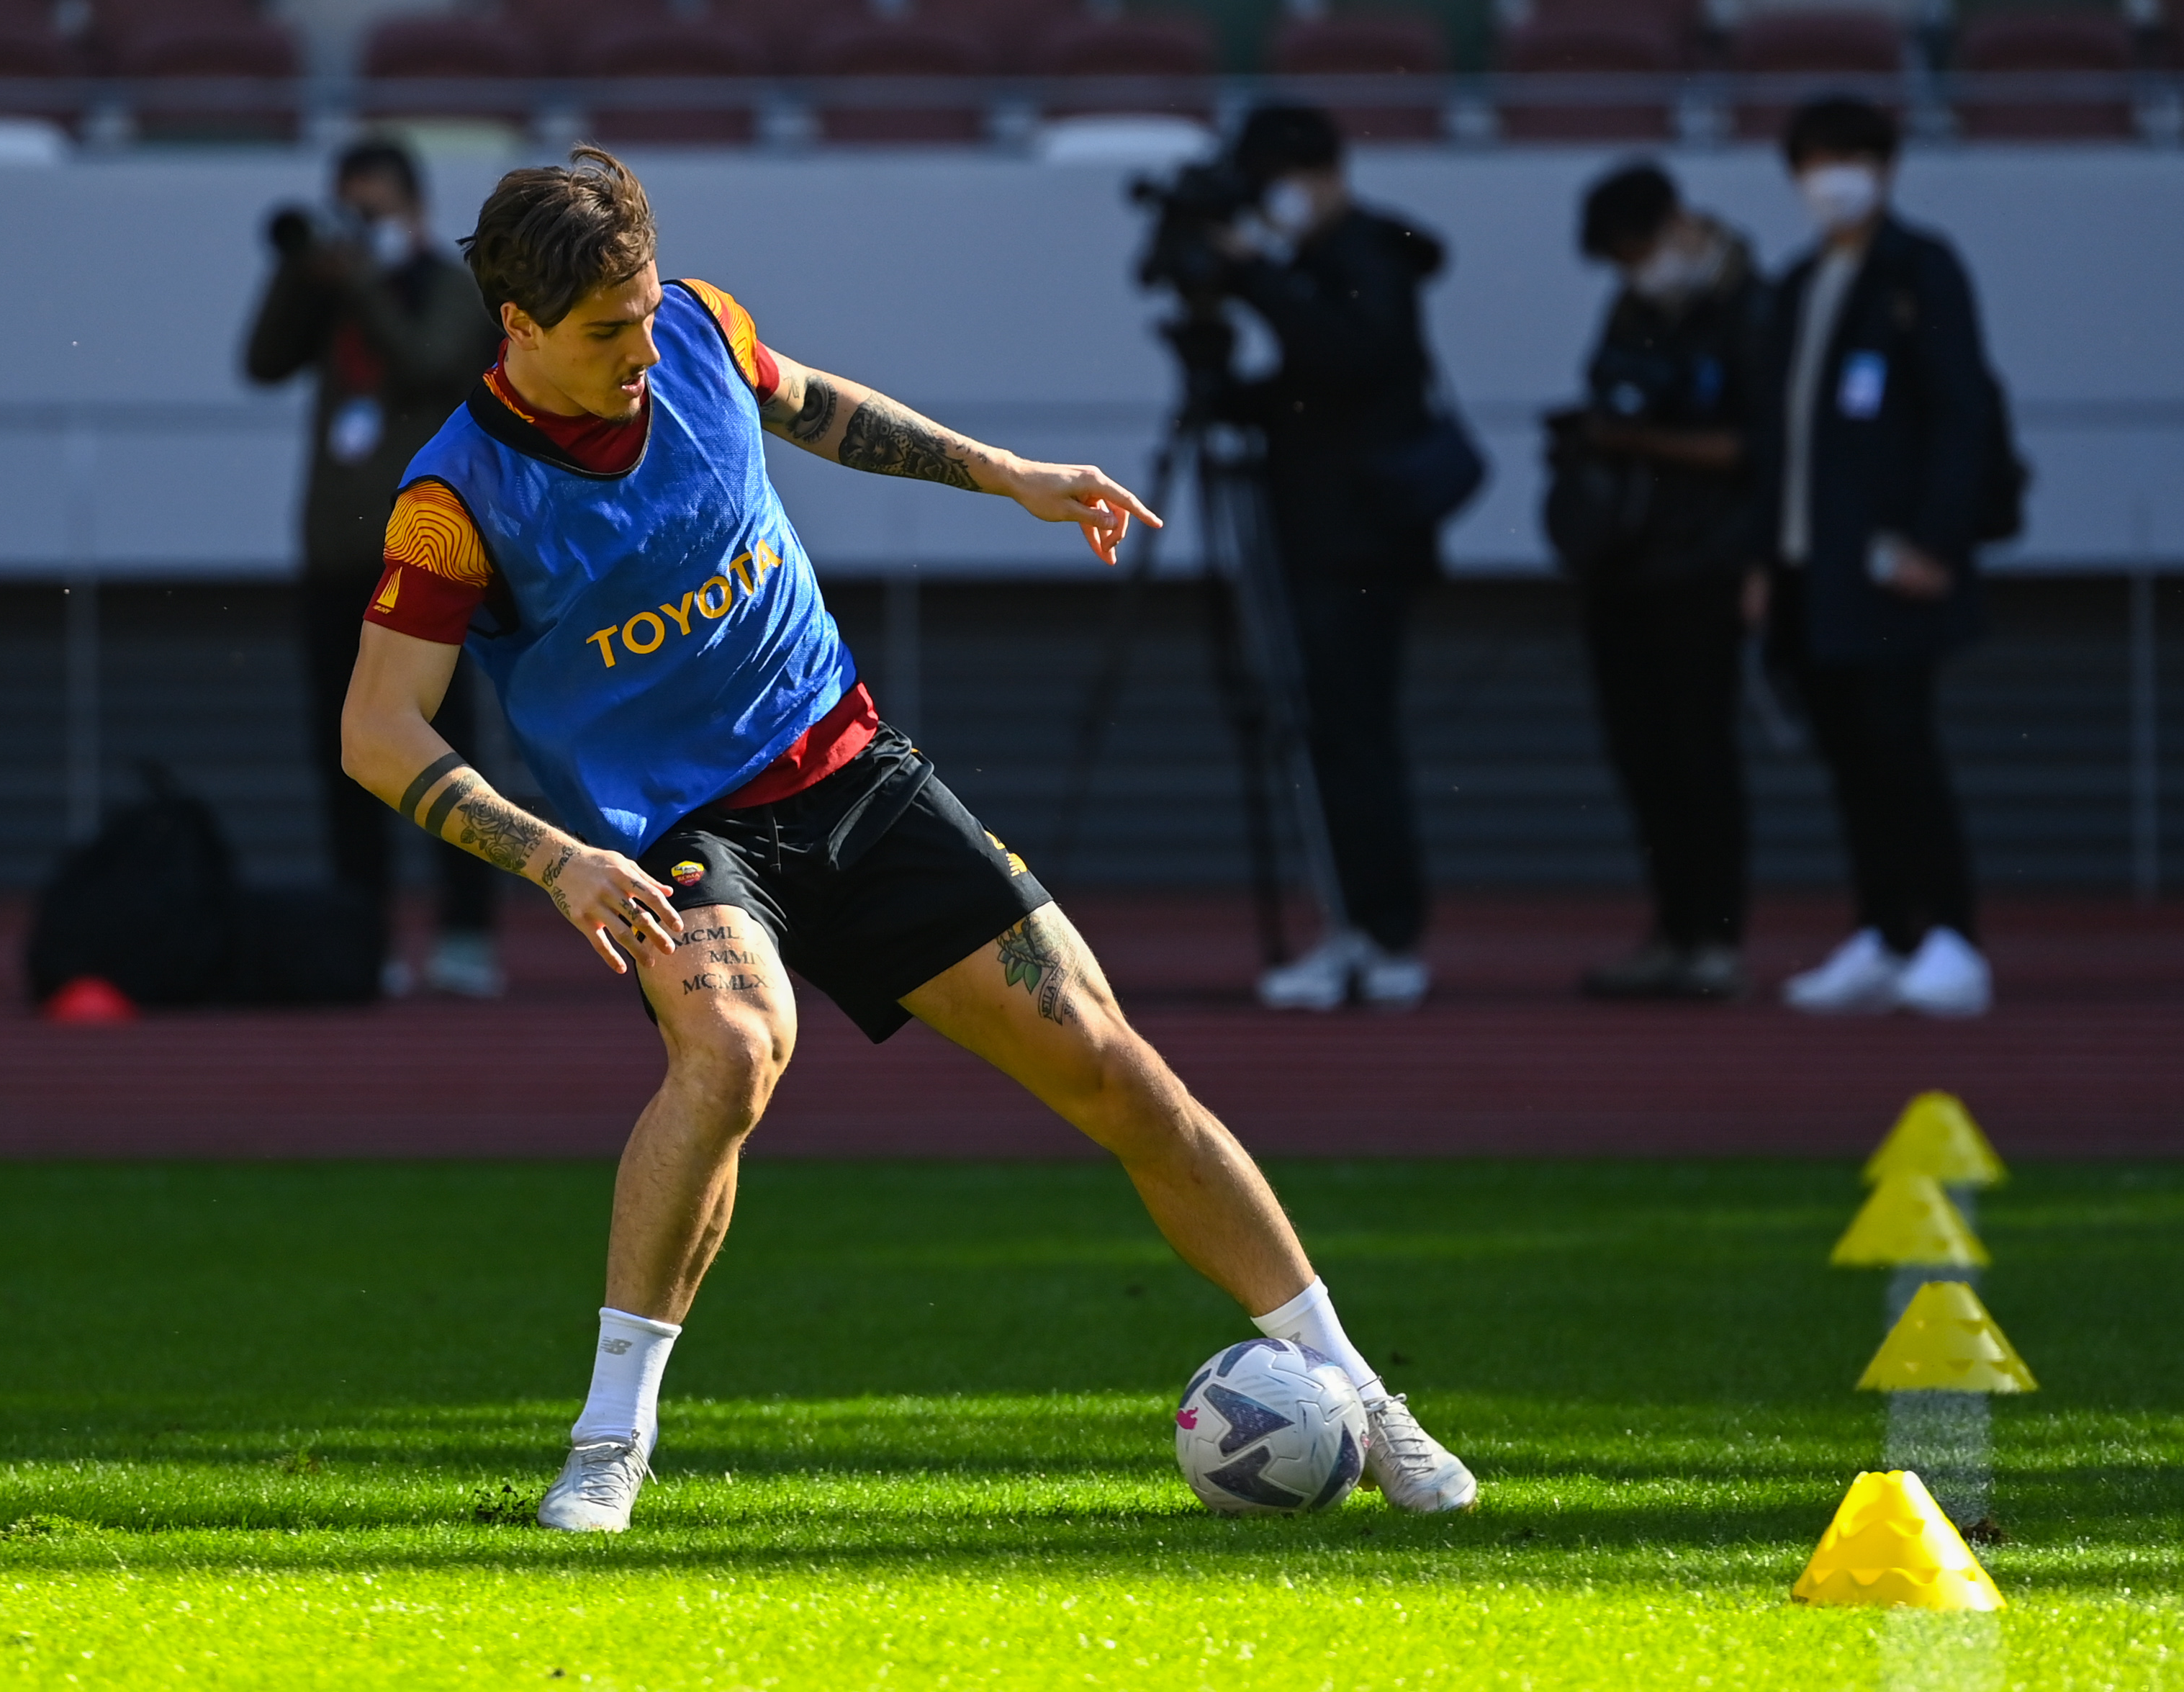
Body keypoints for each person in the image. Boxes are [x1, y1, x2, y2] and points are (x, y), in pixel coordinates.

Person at [336, 147, 1479, 1531]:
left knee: (1119, 1074)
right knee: (736, 1051)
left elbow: (816, 406)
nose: (642, 347)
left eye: (643, 312)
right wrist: (555, 859)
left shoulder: (697, 327)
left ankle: (1364, 1397)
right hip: (680, 834)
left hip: (850, 765)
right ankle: (605, 1444)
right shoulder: (454, 501)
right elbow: (379, 732)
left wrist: (1014, 478)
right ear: (517, 329)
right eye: (604, 333)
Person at [1751, 97, 2000, 1017]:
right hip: (1806, 565)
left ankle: (1951, 935)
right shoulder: (1798, 281)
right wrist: (1758, 559)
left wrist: (1934, 538)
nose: (1832, 178)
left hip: (1889, 562)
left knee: (1900, 748)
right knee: (1849, 756)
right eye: (1815, 160)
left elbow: (1959, 412)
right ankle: (1885, 929)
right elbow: (1776, 439)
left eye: (1849, 158)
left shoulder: (1918, 270)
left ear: (1885, 166)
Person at [245, 135, 507, 997]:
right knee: (348, 746)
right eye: (346, 208)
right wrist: (300, 273)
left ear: (412, 208)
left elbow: (432, 361)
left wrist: (362, 281)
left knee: (445, 740)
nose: (356, 227)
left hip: (428, 550)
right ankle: (362, 930)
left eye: (372, 208)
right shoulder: (332, 296)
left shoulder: (452, 286)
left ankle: (465, 928)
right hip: (334, 551)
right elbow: (261, 363)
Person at [1224, 107, 1465, 1013]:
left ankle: (1382, 932)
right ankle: (1357, 926)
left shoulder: (1369, 257)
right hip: (1322, 531)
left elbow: (1353, 357)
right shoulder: (1325, 265)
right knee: (1332, 731)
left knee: (1352, 734)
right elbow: (1312, 387)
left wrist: (1254, 279)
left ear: (1318, 173)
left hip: (1354, 543)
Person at [1553, 162, 1767, 1001]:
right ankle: (1672, 930)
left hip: (1705, 563)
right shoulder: (1633, 307)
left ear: (1677, 224)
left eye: (1636, 248)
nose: (1630, 267)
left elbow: (1753, 445)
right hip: (1626, 563)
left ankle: (1715, 937)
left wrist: (1636, 442)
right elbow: (1612, 399)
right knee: (1642, 758)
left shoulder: (1749, 307)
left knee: (1698, 755)